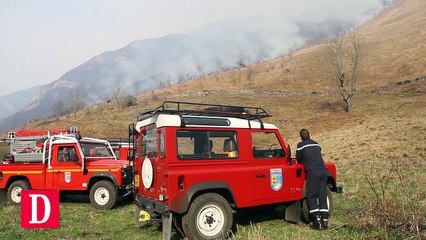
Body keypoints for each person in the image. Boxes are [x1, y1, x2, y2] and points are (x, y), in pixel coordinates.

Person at [296, 129, 329, 230]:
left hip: (312, 171)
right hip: (323, 170)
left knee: (312, 195)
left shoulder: (300, 145)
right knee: (322, 194)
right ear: (309, 135)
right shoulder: (316, 144)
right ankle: (325, 220)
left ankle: (316, 221)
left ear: (301, 137)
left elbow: (299, 159)